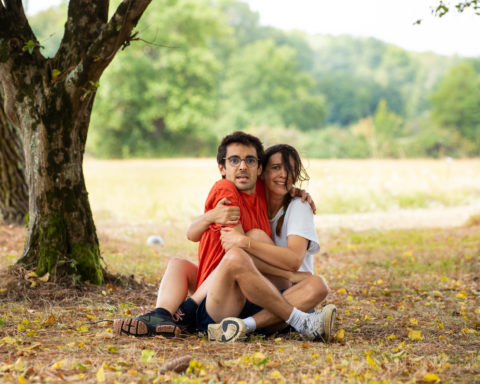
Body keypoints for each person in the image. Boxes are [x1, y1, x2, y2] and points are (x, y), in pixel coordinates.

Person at [113, 132, 326, 339]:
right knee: (211, 257)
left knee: (318, 284)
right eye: (234, 160)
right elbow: (227, 248)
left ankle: (241, 325)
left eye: (250, 161)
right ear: (222, 168)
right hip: (226, 296)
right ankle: (170, 314)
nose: (243, 166)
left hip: (248, 290)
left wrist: (297, 192)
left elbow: (280, 182)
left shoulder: (264, 189)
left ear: (258, 169)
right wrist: (211, 218)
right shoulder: (227, 189)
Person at [198, 144, 336, 342]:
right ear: (261, 172)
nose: (284, 175)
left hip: (290, 294)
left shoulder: (298, 206)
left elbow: (294, 260)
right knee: (252, 241)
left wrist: (245, 242)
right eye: (276, 167)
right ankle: (291, 321)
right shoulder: (254, 201)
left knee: (318, 285)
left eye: (290, 169)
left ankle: (244, 326)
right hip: (251, 292)